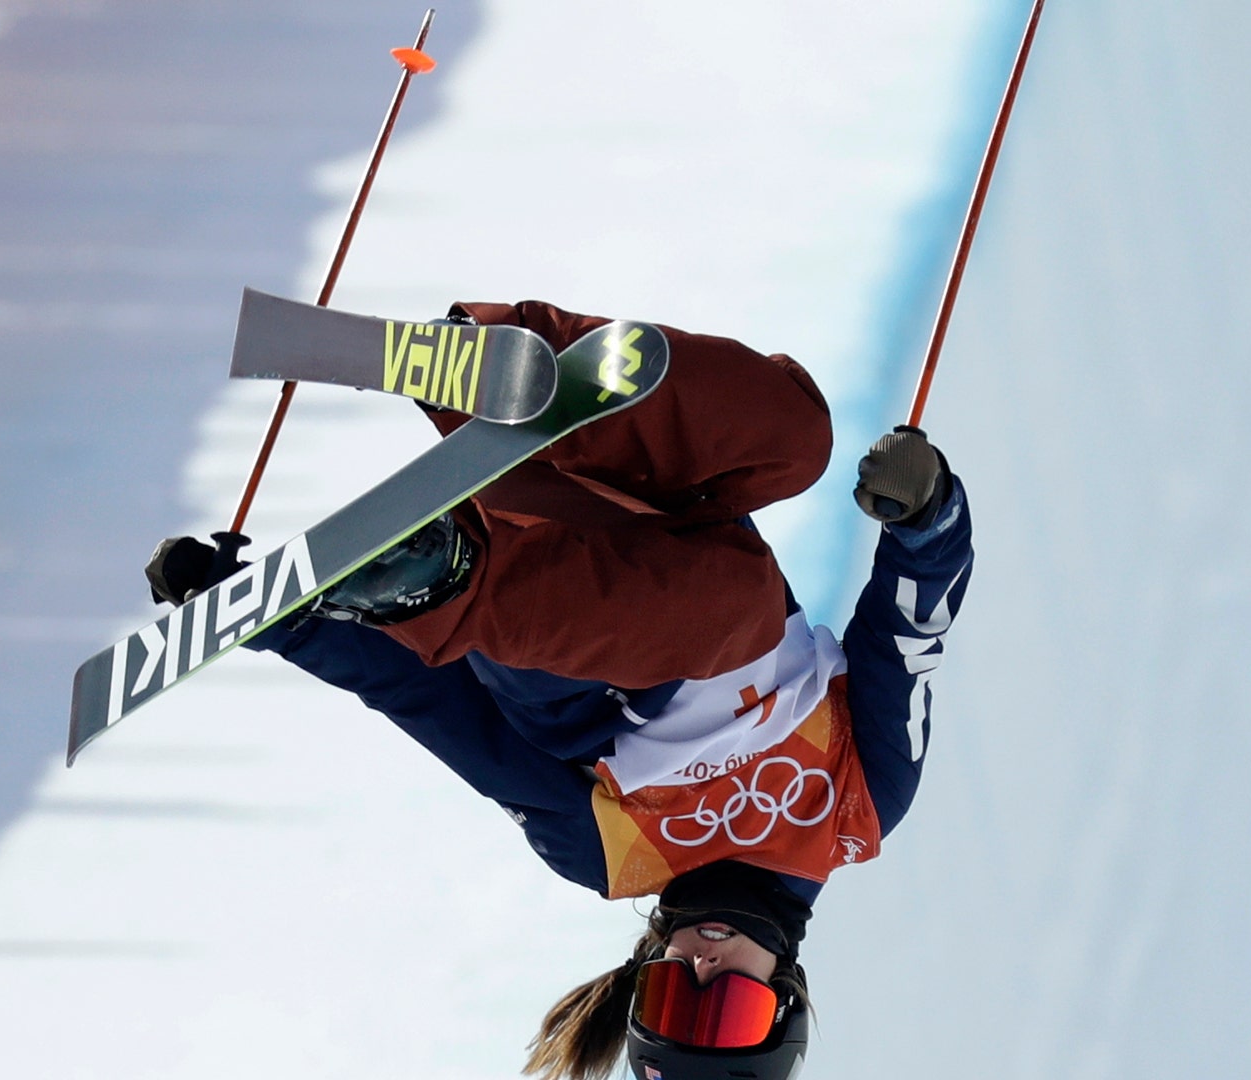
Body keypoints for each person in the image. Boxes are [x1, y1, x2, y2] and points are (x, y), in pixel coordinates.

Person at [143, 299, 973, 1080]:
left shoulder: (610, 856)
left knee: (724, 614)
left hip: (537, 616)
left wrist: (271, 616)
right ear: (785, 990)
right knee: (795, 435)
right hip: (638, 517)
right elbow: (910, 639)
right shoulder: (859, 810)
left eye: (673, 997)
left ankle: (431, 579)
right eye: (728, 1012)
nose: (702, 968)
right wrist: (926, 519)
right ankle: (494, 371)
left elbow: (440, 712)